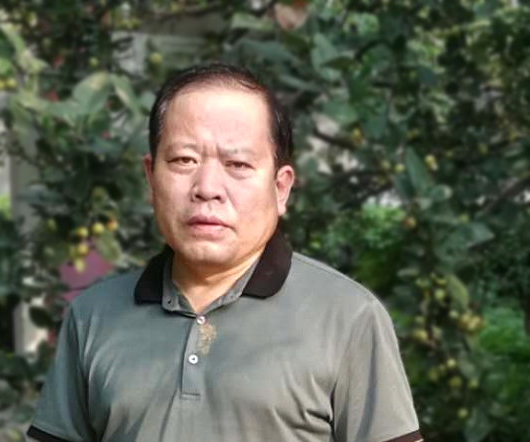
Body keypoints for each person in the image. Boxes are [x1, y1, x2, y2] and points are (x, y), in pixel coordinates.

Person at [27, 63, 422, 442]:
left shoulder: (347, 317)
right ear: (150, 178)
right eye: (184, 160)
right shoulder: (93, 315)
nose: (207, 188)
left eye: (237, 164)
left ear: (281, 187)